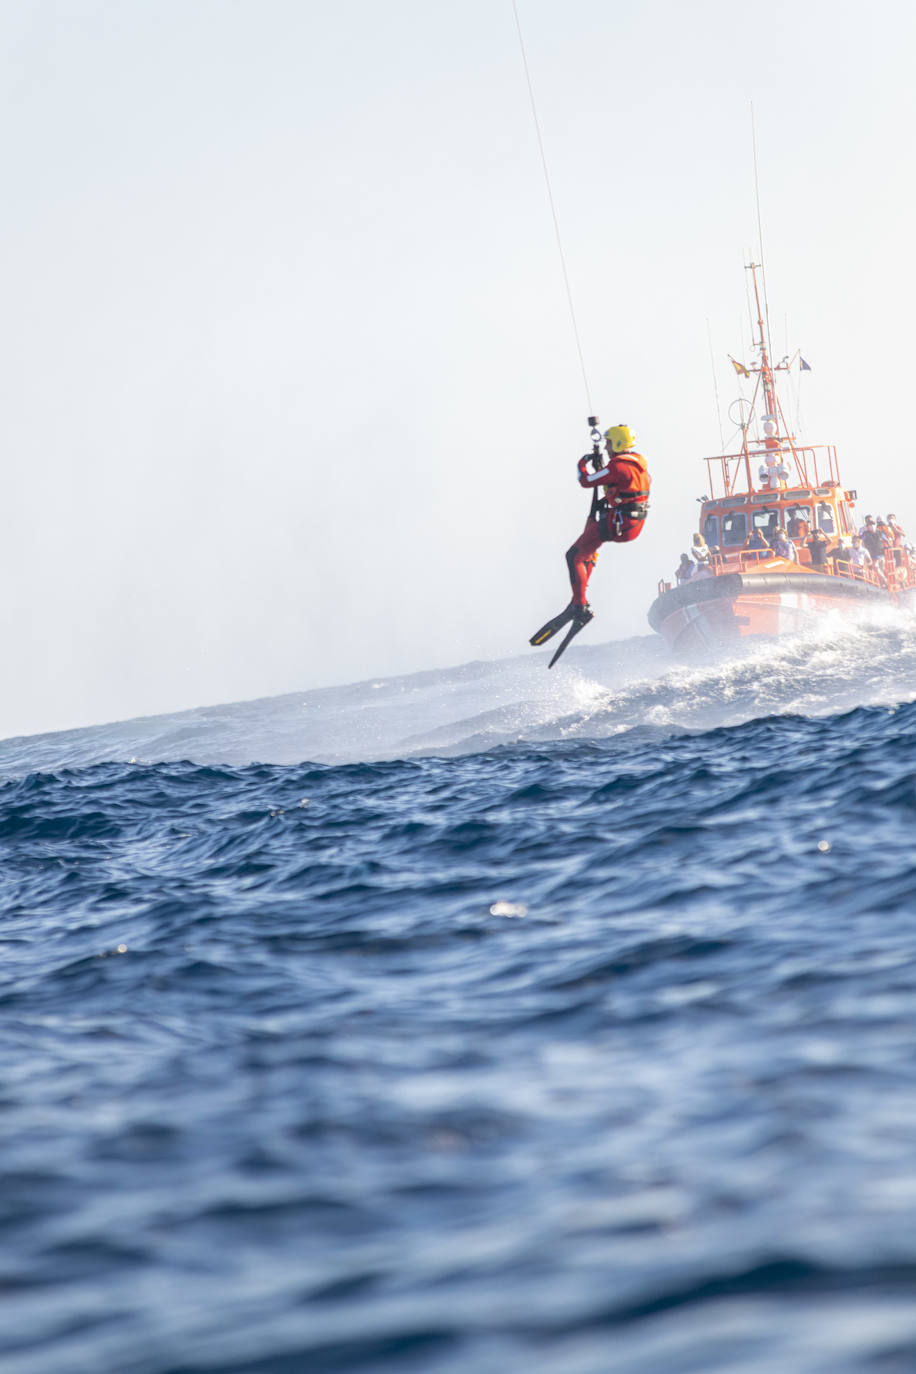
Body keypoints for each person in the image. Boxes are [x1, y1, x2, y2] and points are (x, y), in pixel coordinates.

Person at [563, 424, 652, 622]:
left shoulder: (618, 466)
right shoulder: (639, 464)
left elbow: (585, 481)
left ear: (618, 443)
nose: (606, 448)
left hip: (620, 524)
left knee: (574, 555)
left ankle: (579, 605)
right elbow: (620, 484)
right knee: (589, 543)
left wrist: (583, 462)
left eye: (609, 443)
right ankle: (580, 596)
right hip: (632, 523)